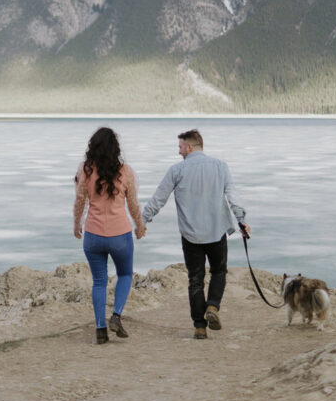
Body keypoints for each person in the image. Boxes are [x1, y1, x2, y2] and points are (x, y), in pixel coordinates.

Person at [142, 129, 250, 339]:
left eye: (180, 146)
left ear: (190, 147)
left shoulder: (177, 170)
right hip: (216, 231)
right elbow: (233, 197)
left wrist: (143, 220)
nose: (178, 150)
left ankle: (199, 326)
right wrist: (242, 220)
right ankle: (213, 306)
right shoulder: (221, 166)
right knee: (219, 272)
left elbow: (158, 199)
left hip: (191, 235)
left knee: (195, 279)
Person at [74, 127, 146, 344]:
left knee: (99, 281)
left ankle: (100, 330)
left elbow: (79, 201)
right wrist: (140, 226)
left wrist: (76, 224)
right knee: (125, 275)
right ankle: (116, 315)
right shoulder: (126, 171)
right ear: (116, 148)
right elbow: (133, 204)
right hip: (119, 235)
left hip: (93, 235)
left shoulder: (85, 170)